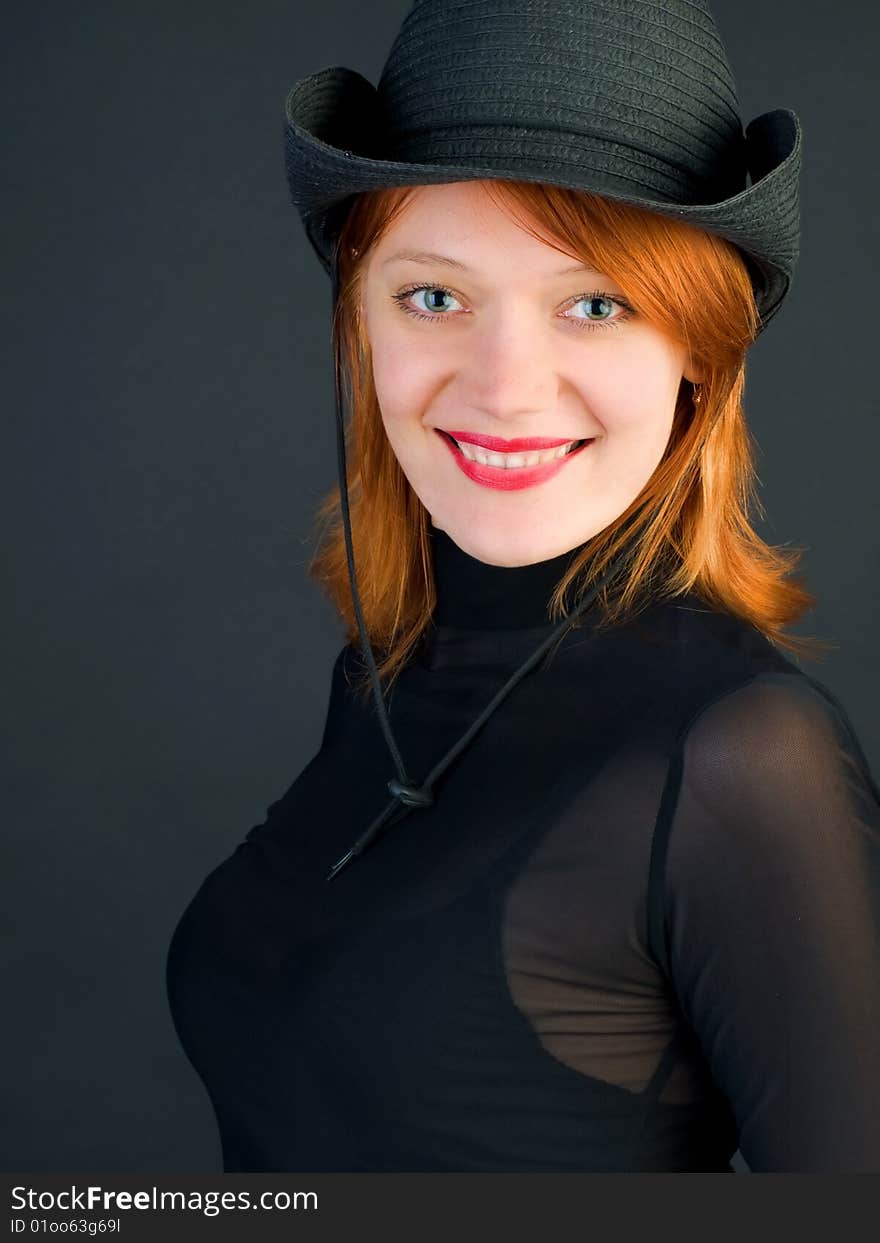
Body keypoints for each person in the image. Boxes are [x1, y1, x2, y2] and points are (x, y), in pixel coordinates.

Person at [165, 0, 880, 1171]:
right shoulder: (392, 665)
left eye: (595, 304)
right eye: (433, 296)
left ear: (698, 352)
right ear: (359, 322)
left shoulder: (741, 756)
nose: (503, 390)